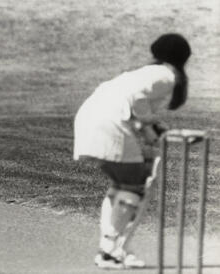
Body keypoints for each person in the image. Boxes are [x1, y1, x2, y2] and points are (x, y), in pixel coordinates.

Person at [73, 33, 191, 269]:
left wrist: (150, 129)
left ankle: (114, 249)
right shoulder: (166, 76)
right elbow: (136, 102)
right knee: (132, 186)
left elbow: (133, 106)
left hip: (89, 117)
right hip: (109, 123)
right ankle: (108, 251)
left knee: (122, 185)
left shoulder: (144, 72)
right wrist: (151, 127)